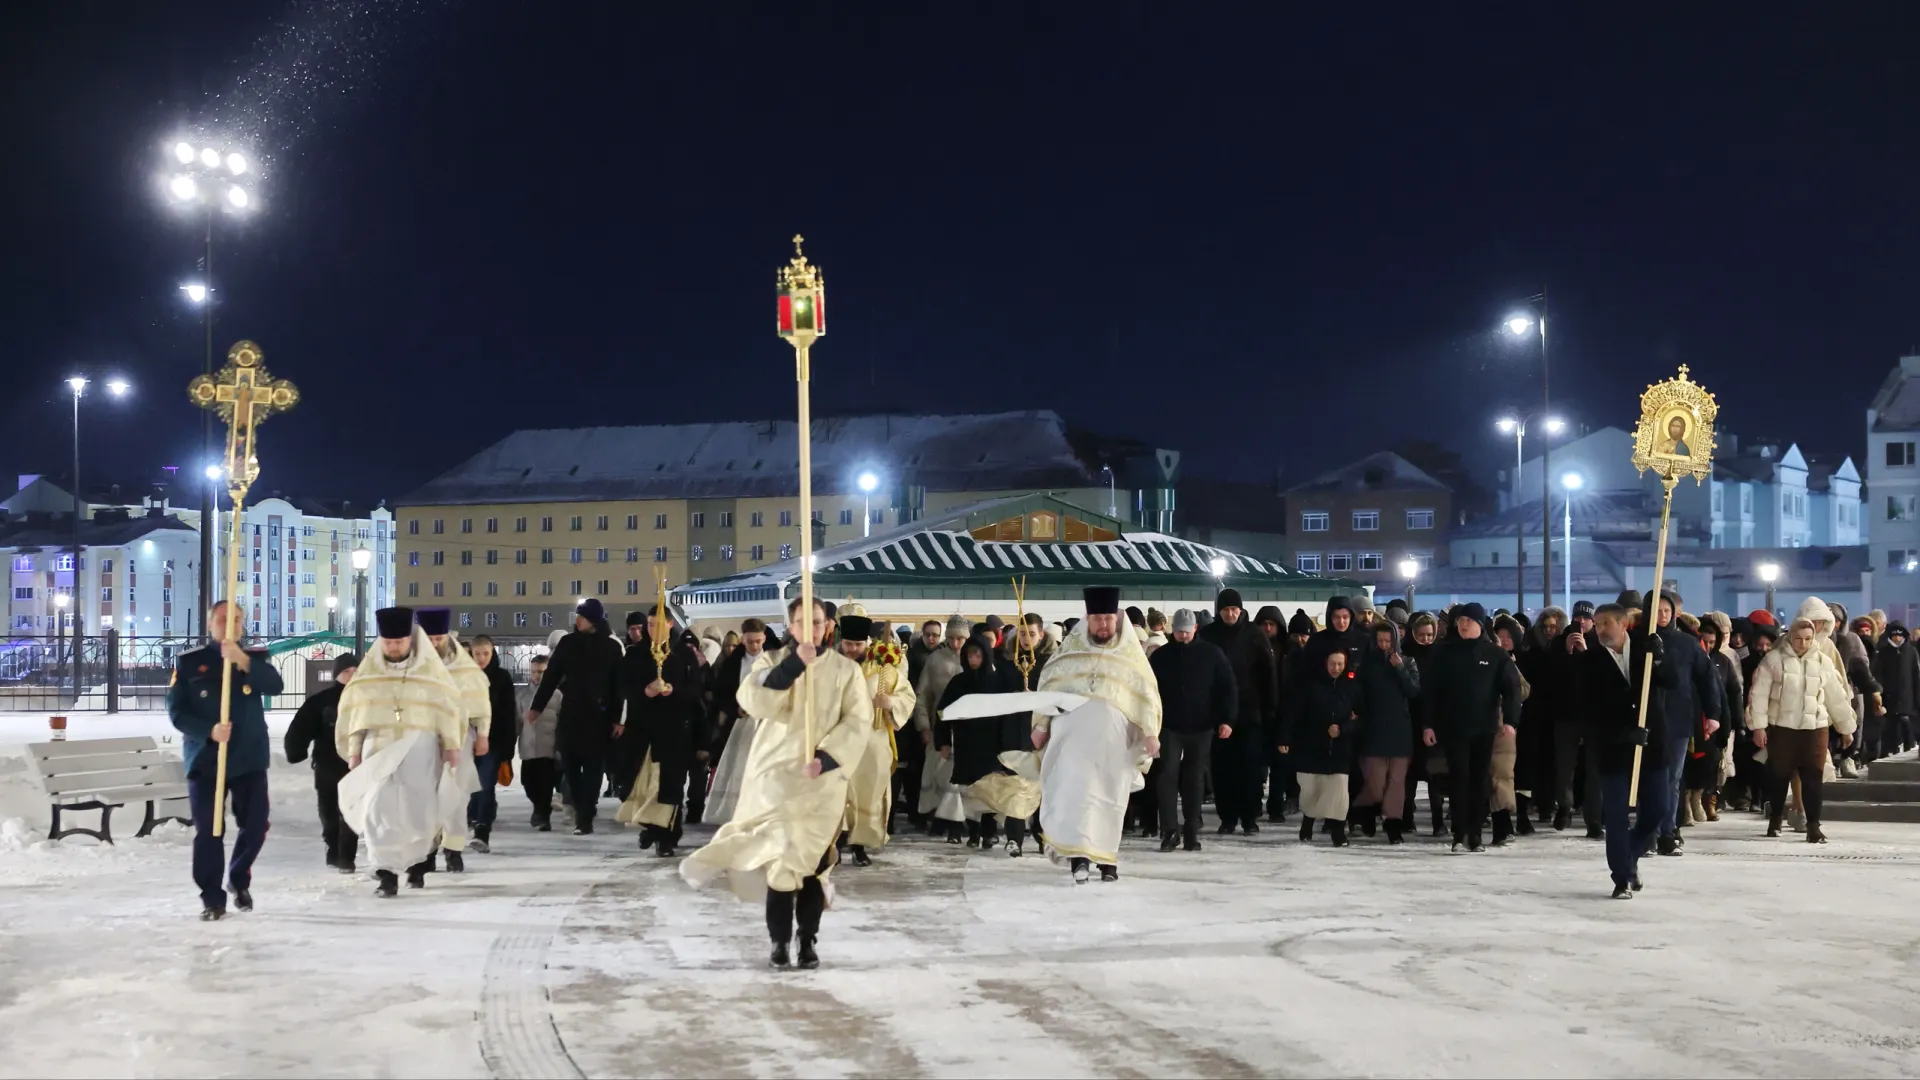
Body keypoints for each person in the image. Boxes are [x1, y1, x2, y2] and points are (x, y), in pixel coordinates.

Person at [681, 595, 872, 971]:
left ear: (827, 626)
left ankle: (808, 939)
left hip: (822, 781)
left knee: (812, 863)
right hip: (777, 779)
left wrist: (827, 758)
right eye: (803, 622)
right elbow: (754, 699)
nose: (811, 629)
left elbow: (858, 721)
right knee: (782, 860)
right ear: (790, 626)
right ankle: (780, 940)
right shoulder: (770, 662)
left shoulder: (846, 671)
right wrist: (794, 666)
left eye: (817, 623)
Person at [1031, 586, 1163, 884]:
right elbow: (1050, 688)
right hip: (1073, 745)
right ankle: (1079, 859)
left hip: (1114, 746)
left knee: (1110, 801)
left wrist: (1151, 733)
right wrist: (1040, 726)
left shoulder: (1131, 657)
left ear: (1116, 619)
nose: (1103, 625)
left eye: (1108, 618)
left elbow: (1146, 696)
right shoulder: (1068, 653)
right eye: (1097, 619)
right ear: (1087, 620)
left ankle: (1107, 860)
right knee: (1076, 798)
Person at [334, 608, 468, 897]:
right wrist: (354, 753)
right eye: (389, 642)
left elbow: (447, 709)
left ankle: (417, 866)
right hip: (378, 750)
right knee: (377, 812)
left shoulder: (431, 674)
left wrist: (452, 746)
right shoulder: (367, 676)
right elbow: (354, 716)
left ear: (410, 640)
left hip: (421, 750)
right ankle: (385, 873)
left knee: (418, 811)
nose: (394, 647)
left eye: (400, 642)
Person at [168, 599, 285, 920]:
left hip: (248, 757)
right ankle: (212, 897)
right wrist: (209, 730)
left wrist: (243, 661)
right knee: (210, 829)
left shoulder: (254, 658)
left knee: (256, 825)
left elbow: (275, 686)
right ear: (210, 624)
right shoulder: (190, 663)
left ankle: (238, 875)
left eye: (236, 619)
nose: (229, 624)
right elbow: (177, 713)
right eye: (222, 619)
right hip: (207, 760)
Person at [1572, 602, 1672, 899]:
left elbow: (1674, 682)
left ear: (1622, 623)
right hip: (1613, 751)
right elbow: (1588, 711)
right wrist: (1625, 733)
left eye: (1605, 623)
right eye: (1597, 624)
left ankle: (1631, 855)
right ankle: (1622, 877)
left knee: (1657, 810)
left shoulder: (1647, 648)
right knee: (1615, 815)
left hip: (1652, 747)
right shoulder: (1589, 662)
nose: (1599, 629)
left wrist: (1659, 660)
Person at [1421, 604, 1522, 853]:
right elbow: (1430, 692)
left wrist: (1510, 721)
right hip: (1453, 728)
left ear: (1480, 623)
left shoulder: (1496, 654)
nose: (1463, 624)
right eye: (1461, 620)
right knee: (1459, 779)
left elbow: (1512, 689)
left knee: (1479, 781)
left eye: (1469, 620)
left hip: (1484, 729)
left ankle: (1475, 834)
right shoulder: (1443, 653)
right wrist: (1428, 725)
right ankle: (1459, 833)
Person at [1749, 617, 1857, 844]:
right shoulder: (1774, 660)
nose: (1803, 643)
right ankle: (1776, 817)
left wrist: (1846, 728)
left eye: (1808, 639)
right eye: (1798, 638)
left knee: (1813, 778)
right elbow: (1758, 695)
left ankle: (1813, 826)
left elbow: (1836, 698)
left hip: (1815, 729)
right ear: (1790, 636)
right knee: (1779, 776)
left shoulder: (1823, 662)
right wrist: (1758, 726)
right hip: (1782, 728)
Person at [528, 598, 626, 835]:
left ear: (594, 620)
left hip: (598, 718)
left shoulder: (611, 648)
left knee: (593, 770)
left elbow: (619, 687)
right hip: (571, 715)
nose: (578, 620)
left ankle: (586, 816)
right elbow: (551, 677)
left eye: (583, 616)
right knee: (570, 768)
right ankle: (581, 806)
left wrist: (618, 719)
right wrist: (537, 706)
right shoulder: (567, 644)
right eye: (577, 616)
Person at [1147, 609, 1237, 851]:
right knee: (1166, 776)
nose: (1183, 636)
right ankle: (1168, 830)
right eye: (1178, 631)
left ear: (1195, 629)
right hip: (1169, 726)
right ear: (1171, 630)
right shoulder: (1161, 656)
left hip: (1201, 725)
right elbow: (1149, 692)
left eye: (1187, 631)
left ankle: (1190, 829)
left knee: (1195, 778)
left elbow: (1227, 688)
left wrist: (1226, 720)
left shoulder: (1211, 654)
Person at [936, 631, 1032, 852]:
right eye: (970, 656)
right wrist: (943, 741)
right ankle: (974, 832)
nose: (973, 660)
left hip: (992, 744)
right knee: (970, 790)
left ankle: (988, 833)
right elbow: (942, 713)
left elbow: (1013, 705)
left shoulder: (1000, 681)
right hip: (967, 744)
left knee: (990, 790)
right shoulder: (959, 682)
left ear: (986, 656)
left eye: (977, 656)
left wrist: (1025, 697)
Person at [617, 624, 706, 857]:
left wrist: (673, 691)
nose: (653, 629)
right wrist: (644, 692)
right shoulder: (636, 653)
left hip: (675, 731)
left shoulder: (684, 654)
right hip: (642, 732)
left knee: (671, 787)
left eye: (658, 624)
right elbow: (624, 686)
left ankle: (665, 837)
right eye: (650, 624)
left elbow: (695, 690)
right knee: (640, 785)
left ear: (669, 624)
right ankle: (651, 828)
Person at [837, 612, 916, 865]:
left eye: (857, 645)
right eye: (848, 644)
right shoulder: (829, 667)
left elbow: (908, 697)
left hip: (872, 742)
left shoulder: (885, 670)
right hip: (838, 742)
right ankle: (834, 846)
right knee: (837, 795)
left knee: (867, 795)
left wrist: (890, 702)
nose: (852, 650)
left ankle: (859, 847)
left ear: (866, 644)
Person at [1198, 588, 1278, 836]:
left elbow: (1269, 675)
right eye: (1226, 610)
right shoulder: (1209, 635)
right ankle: (1227, 817)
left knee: (1251, 768)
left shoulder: (1255, 634)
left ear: (1241, 610)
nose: (1231, 614)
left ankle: (1250, 816)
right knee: (1223, 769)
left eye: (1234, 609)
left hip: (1250, 713)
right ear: (1219, 611)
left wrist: (1270, 710)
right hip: (1219, 714)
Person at [1650, 592, 1724, 855]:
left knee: (1672, 779)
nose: (1662, 616)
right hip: (1645, 720)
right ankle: (1649, 831)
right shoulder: (1635, 641)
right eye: (1656, 610)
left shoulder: (1687, 644)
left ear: (1674, 614)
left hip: (1678, 720)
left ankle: (1667, 832)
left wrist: (1713, 714)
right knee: (1649, 779)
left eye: (1666, 611)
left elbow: (1707, 679)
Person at [420, 609, 488, 872]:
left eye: (439, 637)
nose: (435, 643)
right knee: (424, 797)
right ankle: (426, 851)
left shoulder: (463, 667)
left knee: (456, 797)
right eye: (430, 638)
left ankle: (454, 849)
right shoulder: (412, 663)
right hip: (423, 738)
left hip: (459, 738)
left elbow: (480, 703)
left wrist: (482, 734)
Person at [284, 652, 360, 873]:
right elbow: (301, 727)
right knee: (328, 810)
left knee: (350, 810)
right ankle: (332, 848)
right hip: (327, 764)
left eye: (356, 671)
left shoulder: (366, 700)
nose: (351, 676)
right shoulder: (321, 701)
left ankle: (346, 856)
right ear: (337, 674)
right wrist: (295, 751)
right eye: (346, 672)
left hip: (355, 764)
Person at [1281, 647, 1363, 846]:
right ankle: (1308, 822)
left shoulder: (1352, 688)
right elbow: (1292, 714)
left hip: (1340, 749)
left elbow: (1362, 717)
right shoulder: (1309, 686)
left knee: (1339, 792)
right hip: (1311, 746)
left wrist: (1343, 728)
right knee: (1312, 789)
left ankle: (1338, 832)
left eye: (1340, 664)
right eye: (1332, 664)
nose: (1336, 668)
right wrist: (1284, 738)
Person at [1353, 620, 1419, 843]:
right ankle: (1362, 810)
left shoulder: (1408, 662)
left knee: (1397, 782)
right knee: (1376, 783)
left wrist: (1399, 668)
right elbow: (1357, 695)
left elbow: (1413, 691)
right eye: (1380, 641)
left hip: (1399, 729)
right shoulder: (1366, 665)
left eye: (1388, 641)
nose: (1384, 645)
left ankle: (1393, 824)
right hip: (1373, 730)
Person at [913, 615, 972, 835]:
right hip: (940, 728)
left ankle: (960, 820)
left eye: (960, 639)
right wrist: (924, 726)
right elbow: (922, 696)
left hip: (968, 731)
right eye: (952, 638)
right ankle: (938, 817)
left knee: (960, 776)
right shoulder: (935, 660)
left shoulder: (976, 659)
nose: (956, 644)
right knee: (937, 772)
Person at [707, 619, 769, 825]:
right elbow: (721, 692)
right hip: (741, 723)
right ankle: (737, 810)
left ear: (764, 639)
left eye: (758, 642)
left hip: (767, 722)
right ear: (743, 640)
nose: (754, 646)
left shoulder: (773, 660)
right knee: (739, 765)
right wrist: (735, 708)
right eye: (750, 642)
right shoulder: (734, 662)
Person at [1552, 601, 1603, 836]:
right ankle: (1564, 805)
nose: (1581, 622)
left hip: (1593, 715)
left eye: (1586, 618)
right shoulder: (1559, 643)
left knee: (1595, 768)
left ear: (1593, 621)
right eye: (1577, 617)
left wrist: (1585, 653)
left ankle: (1593, 817)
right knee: (1564, 765)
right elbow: (1550, 677)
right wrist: (1566, 652)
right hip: (1566, 714)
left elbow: (1602, 676)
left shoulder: (1600, 643)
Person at [1514, 606, 1565, 832]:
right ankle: (1535, 804)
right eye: (1546, 626)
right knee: (1532, 761)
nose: (1549, 631)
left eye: (1554, 626)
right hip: (1533, 714)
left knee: (1551, 762)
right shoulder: (1531, 652)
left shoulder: (1563, 651)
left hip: (1556, 713)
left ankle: (1547, 803)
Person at [467, 635, 518, 852]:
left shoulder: (501, 678)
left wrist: (507, 747)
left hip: (493, 741)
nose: (481, 658)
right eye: (477, 653)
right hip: (466, 739)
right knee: (469, 784)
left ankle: (482, 828)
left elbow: (509, 713)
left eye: (485, 653)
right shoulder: (464, 677)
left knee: (485, 783)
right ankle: (473, 816)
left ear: (492, 652)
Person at [515, 653, 561, 830]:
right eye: (534, 671)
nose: (537, 675)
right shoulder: (522, 695)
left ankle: (542, 815)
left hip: (548, 747)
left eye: (541, 672)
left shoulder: (557, 695)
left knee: (546, 784)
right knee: (528, 781)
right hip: (528, 747)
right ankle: (539, 809)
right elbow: (516, 721)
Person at [1870, 622, 1920, 760]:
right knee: (1889, 730)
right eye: (1894, 636)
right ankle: (1887, 754)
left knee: (1907, 730)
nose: (1897, 639)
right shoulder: (1883, 653)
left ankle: (1909, 753)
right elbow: (1878, 674)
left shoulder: (1911, 652)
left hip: (1907, 700)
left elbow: (1916, 676)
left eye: (1899, 635)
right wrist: (1878, 693)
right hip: (1888, 700)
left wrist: (1917, 701)